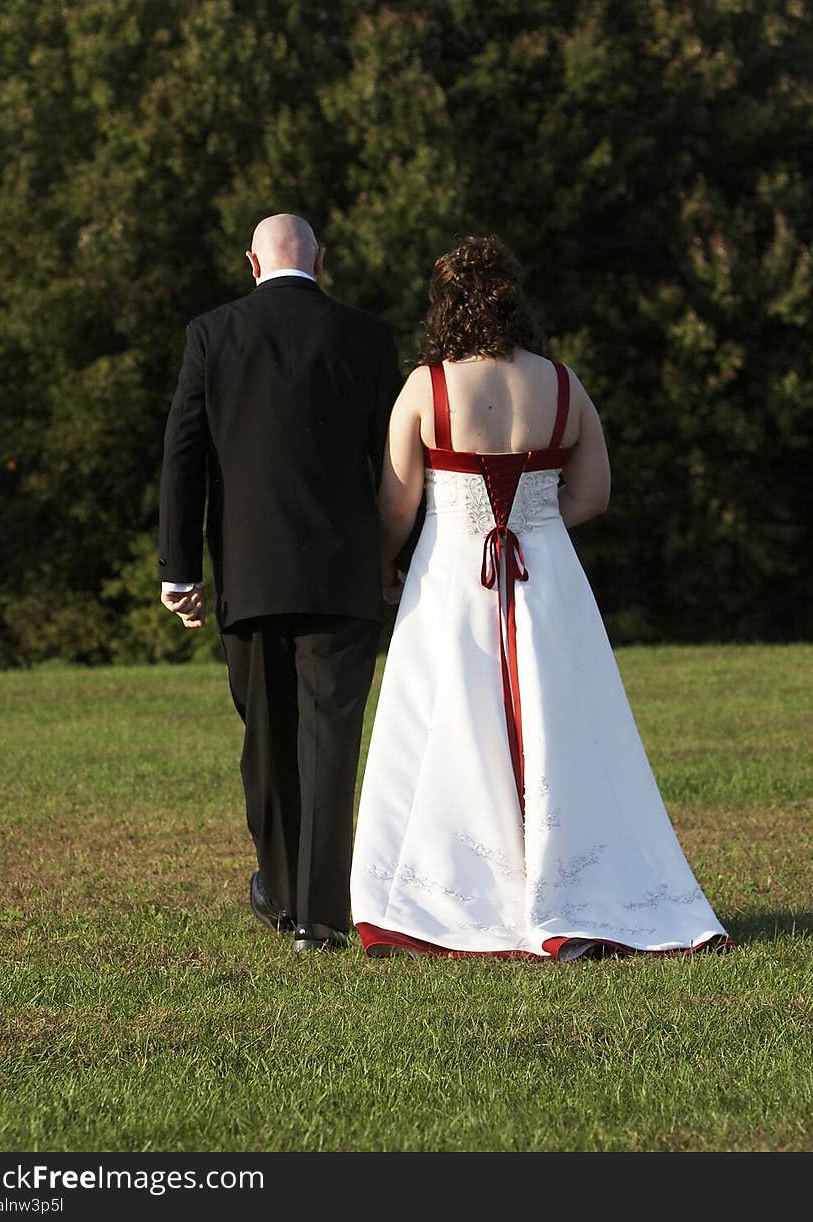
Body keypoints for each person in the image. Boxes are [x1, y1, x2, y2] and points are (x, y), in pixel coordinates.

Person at [351, 235, 731, 960]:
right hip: (547, 578)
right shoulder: (563, 384)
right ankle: (579, 893)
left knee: (452, 726)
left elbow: (396, 508)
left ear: (447, 308)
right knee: (566, 728)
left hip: (454, 582)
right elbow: (594, 493)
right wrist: (534, 521)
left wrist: (382, 567)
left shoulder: (427, 388)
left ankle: (462, 896)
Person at [159, 214, 401, 954]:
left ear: (251, 263)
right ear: (322, 261)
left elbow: (184, 454)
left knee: (266, 738)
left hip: (250, 577)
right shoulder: (367, 336)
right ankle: (321, 915)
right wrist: (398, 560)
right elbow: (396, 464)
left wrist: (179, 570)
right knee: (329, 743)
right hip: (344, 574)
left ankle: (282, 891)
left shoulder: (213, 333)